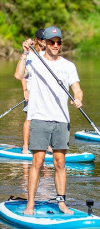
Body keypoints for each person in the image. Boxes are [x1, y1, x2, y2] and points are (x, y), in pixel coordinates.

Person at [14, 26, 82, 215]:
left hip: (61, 119)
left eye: (58, 42)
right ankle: (30, 204)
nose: (55, 45)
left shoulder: (68, 65)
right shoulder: (34, 59)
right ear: (45, 43)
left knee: (60, 163)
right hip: (40, 118)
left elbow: (77, 87)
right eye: (52, 42)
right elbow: (19, 75)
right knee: (38, 162)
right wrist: (24, 53)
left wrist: (78, 97)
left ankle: (61, 203)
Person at [20, 28, 46, 154]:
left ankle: (47, 146)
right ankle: (25, 147)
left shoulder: (49, 54)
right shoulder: (30, 53)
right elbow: (22, 74)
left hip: (44, 92)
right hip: (31, 90)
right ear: (36, 39)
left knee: (46, 119)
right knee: (29, 119)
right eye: (42, 39)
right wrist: (25, 90)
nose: (44, 42)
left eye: (46, 39)